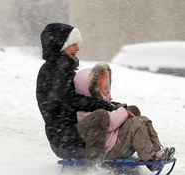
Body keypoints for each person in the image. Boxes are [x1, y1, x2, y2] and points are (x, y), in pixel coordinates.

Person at [36, 23, 125, 160]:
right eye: (73, 44)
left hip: (75, 133)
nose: (77, 48)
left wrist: (111, 105)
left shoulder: (64, 70)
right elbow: (70, 101)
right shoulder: (51, 72)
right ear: (60, 45)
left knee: (126, 112)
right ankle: (95, 166)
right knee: (101, 116)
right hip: (66, 140)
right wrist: (103, 105)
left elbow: (81, 98)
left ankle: (136, 149)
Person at [74, 63, 175, 171]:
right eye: (104, 87)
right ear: (91, 90)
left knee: (143, 120)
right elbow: (110, 123)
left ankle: (156, 152)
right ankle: (151, 160)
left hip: (116, 142)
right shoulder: (85, 111)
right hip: (109, 150)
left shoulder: (101, 104)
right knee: (135, 125)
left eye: (109, 87)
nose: (108, 91)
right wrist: (123, 112)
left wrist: (121, 109)